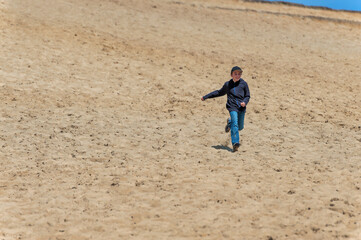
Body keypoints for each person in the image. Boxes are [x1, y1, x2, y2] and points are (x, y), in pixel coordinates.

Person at [201, 66, 250, 152]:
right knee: (235, 124)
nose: (237, 75)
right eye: (235, 74)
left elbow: (247, 96)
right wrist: (206, 97)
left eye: (239, 74)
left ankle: (229, 122)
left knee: (240, 127)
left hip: (241, 108)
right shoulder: (228, 85)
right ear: (231, 75)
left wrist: (245, 102)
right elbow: (219, 92)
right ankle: (235, 143)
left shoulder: (244, 84)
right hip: (232, 107)